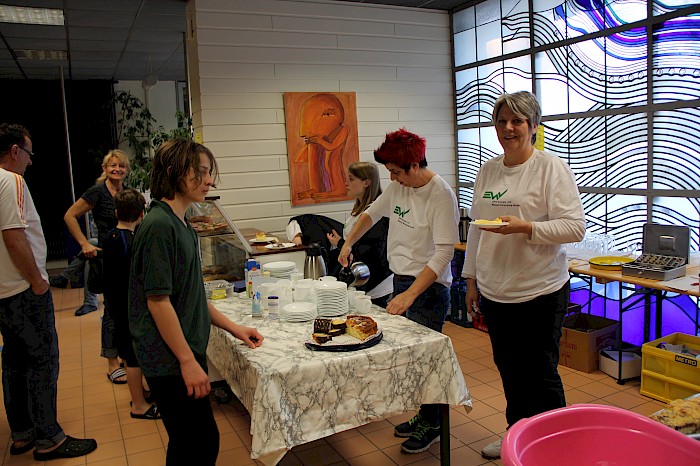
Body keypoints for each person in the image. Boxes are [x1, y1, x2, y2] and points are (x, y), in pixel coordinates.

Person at [462, 91, 586, 460]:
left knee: (542, 374)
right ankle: (516, 436)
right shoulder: (488, 169)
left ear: (533, 126)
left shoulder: (550, 169)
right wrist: (470, 280)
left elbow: (574, 227)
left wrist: (526, 228)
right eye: (501, 121)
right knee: (510, 372)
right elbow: (475, 230)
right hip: (497, 293)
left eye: (517, 121)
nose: (508, 128)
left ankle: (558, 446)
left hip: (540, 290)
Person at [129, 139, 264, 465]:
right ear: (176, 173)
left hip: (181, 353)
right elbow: (159, 303)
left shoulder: (182, 223)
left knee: (194, 441)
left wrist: (235, 328)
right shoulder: (160, 226)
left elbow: (190, 296)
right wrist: (188, 361)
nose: (209, 181)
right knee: (198, 443)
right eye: (201, 173)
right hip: (169, 359)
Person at [338, 128, 459, 454]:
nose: (391, 179)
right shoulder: (398, 188)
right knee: (414, 359)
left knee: (427, 361)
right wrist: (348, 242)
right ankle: (425, 413)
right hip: (404, 280)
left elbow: (443, 254)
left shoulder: (440, 195)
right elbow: (371, 213)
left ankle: (434, 423)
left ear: (414, 165)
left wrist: (411, 294)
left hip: (429, 287)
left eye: (395, 172)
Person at [0, 123, 98, 461]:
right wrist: (39, 282)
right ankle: (49, 438)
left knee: (13, 361)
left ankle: (22, 433)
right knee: (42, 361)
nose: (30, 161)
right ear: (15, 151)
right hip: (22, 290)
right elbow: (14, 237)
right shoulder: (11, 181)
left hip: (3, 293)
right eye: (28, 153)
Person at [64, 150, 130, 385]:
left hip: (126, 257)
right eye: (112, 166)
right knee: (112, 311)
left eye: (121, 166)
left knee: (126, 309)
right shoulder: (97, 192)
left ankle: (124, 355)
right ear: (104, 168)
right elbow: (70, 215)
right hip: (107, 257)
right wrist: (83, 242)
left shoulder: (126, 191)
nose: (117, 170)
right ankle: (112, 363)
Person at [102, 188, 159, 420]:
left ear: (116, 212)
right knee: (132, 357)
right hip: (130, 307)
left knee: (129, 353)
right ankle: (138, 404)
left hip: (116, 304)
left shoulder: (110, 237)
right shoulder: (132, 241)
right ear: (141, 213)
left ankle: (140, 394)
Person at [326, 162, 393, 307]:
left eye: (351, 179)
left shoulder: (378, 213)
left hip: (376, 283)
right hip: (361, 277)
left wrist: (340, 243)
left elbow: (370, 251)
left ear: (366, 182)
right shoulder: (358, 209)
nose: (346, 183)